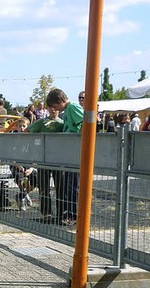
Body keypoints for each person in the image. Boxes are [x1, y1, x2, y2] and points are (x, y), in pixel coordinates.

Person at [46, 88, 83, 225]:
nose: (54, 109)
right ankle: (71, 214)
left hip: (75, 152)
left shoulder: (73, 107)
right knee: (69, 185)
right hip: (69, 153)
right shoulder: (66, 111)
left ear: (59, 101)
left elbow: (84, 123)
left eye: (54, 106)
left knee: (73, 185)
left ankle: (74, 216)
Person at [28, 108, 64, 220]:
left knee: (61, 187)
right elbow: (27, 131)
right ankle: (46, 213)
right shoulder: (41, 122)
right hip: (43, 159)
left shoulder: (63, 123)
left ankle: (61, 213)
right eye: (50, 107)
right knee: (44, 187)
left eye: (55, 106)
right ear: (47, 109)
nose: (53, 109)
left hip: (59, 160)